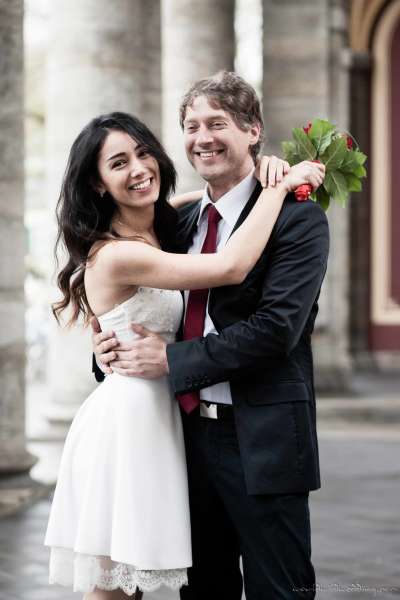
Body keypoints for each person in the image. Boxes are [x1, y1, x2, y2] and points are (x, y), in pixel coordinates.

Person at [45, 109, 324, 600]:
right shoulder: (118, 253)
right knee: (117, 588)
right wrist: (277, 188)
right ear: (96, 183)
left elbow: (207, 204)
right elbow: (231, 266)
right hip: (132, 423)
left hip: (177, 422)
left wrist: (260, 176)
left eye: (143, 152)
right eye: (118, 163)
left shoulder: (167, 226)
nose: (138, 168)